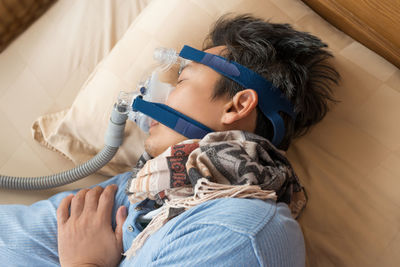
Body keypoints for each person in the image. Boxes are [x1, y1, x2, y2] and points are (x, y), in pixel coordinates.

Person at [0, 14, 339, 266]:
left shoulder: (242, 233)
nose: (160, 96)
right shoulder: (145, 188)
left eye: (181, 80)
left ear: (238, 105)